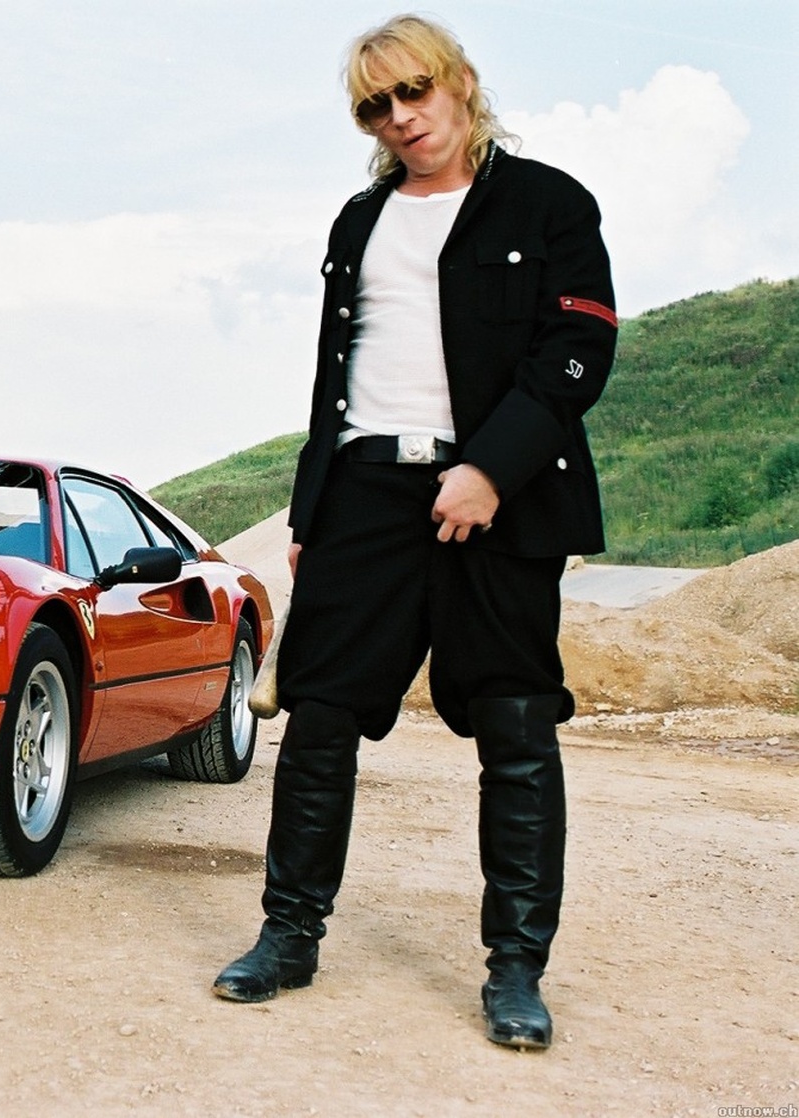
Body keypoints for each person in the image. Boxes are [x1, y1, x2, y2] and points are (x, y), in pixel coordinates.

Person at [212, 14, 617, 1051]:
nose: (399, 117)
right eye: (374, 106)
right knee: (319, 719)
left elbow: (576, 352)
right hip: (362, 494)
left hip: (499, 496)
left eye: (413, 92)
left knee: (515, 727)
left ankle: (515, 970)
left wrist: (489, 468)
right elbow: (332, 379)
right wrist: (312, 511)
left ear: (459, 83)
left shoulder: (548, 203)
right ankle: (287, 936)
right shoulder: (359, 221)